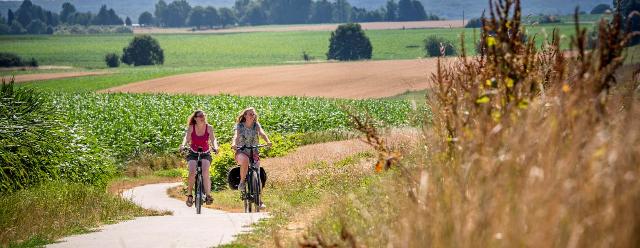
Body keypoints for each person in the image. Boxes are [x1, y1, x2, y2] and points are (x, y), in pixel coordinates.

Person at [231, 107, 272, 207]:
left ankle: (259, 200)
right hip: (241, 151)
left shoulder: (256, 125)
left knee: (257, 173)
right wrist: (234, 144)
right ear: (245, 115)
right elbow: (236, 136)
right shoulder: (239, 126)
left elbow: (262, 133)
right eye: (250, 114)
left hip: (254, 151)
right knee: (245, 161)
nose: (252, 116)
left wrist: (268, 141)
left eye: (253, 114)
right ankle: (241, 182)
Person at [180, 110, 219, 207]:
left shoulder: (209, 127)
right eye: (200, 115)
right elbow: (186, 138)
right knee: (192, 172)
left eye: (203, 115)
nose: (202, 117)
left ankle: (208, 195)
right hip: (193, 153)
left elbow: (213, 139)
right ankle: (189, 195)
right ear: (195, 118)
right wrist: (183, 145)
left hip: (205, 153)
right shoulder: (191, 127)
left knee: (205, 171)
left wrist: (216, 147)